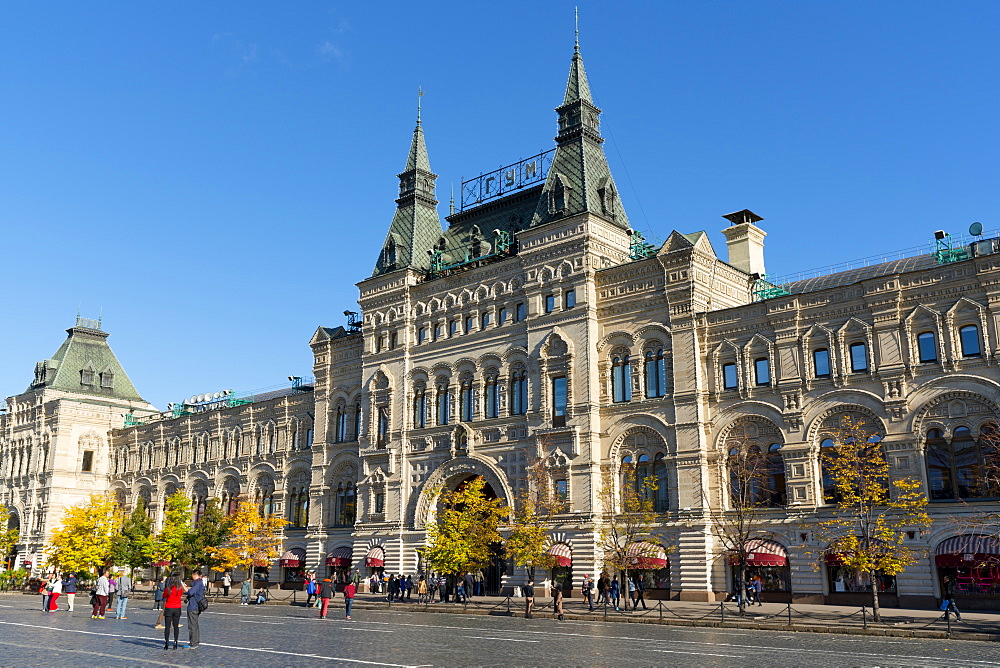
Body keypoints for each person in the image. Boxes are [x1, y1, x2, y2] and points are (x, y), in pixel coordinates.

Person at [161, 572, 187, 650]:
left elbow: (164, 596)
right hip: (177, 607)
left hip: (169, 607)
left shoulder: (168, 588)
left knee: (167, 627)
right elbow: (184, 592)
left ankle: (167, 643)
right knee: (176, 626)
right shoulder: (180, 588)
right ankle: (175, 642)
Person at [184, 569, 206, 649]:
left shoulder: (198, 583)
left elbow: (190, 592)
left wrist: (183, 586)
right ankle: (195, 642)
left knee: (192, 625)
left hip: (193, 606)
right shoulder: (199, 583)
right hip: (196, 606)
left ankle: (193, 643)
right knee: (195, 625)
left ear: (194, 575)